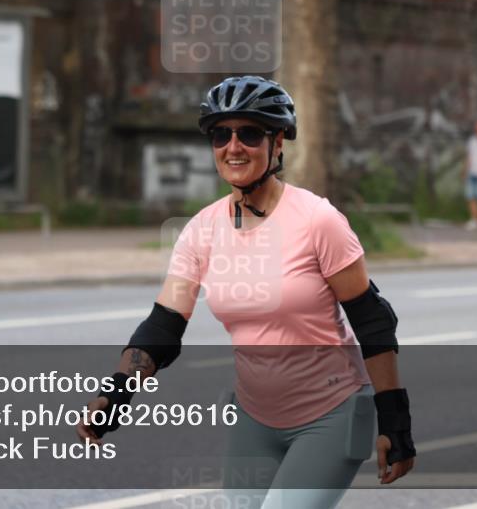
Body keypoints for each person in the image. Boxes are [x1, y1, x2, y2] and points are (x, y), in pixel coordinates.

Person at [77, 76, 416, 507]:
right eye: (222, 134)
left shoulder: (318, 221)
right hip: (254, 419)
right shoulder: (201, 230)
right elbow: (163, 325)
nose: (233, 146)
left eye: (249, 133)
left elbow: (372, 319)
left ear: (278, 144)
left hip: (332, 414)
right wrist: (116, 394)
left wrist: (395, 420)